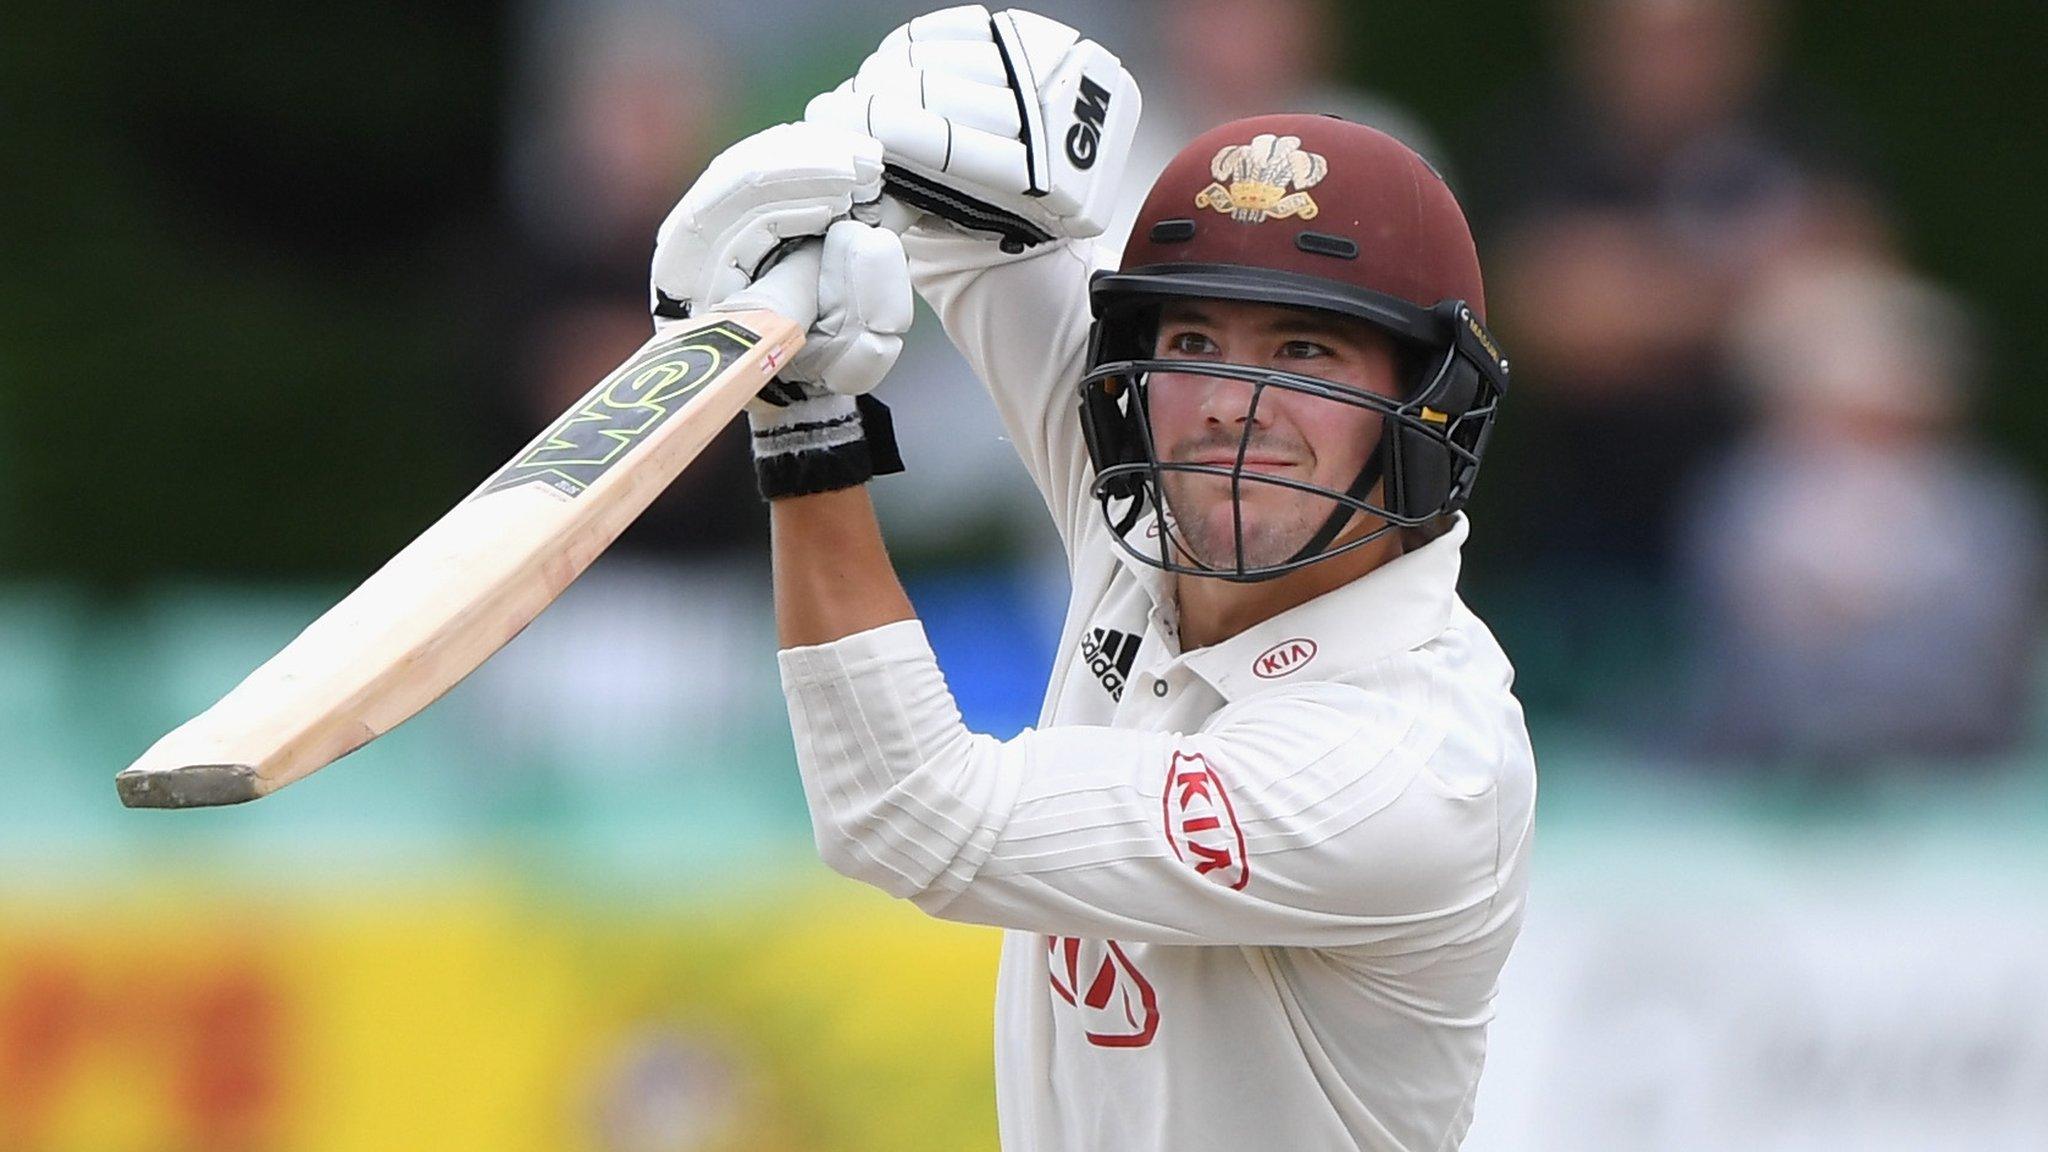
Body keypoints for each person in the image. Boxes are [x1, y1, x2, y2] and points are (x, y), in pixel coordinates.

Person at [648, 8, 1535, 1149]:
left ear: (1425, 410)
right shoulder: (1152, 503)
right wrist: (852, 159)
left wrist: (804, 425)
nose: (1230, 405)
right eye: (1193, 345)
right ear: (1134, 377)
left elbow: (906, 816)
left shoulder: (1408, 765)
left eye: (1303, 352)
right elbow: (978, 236)